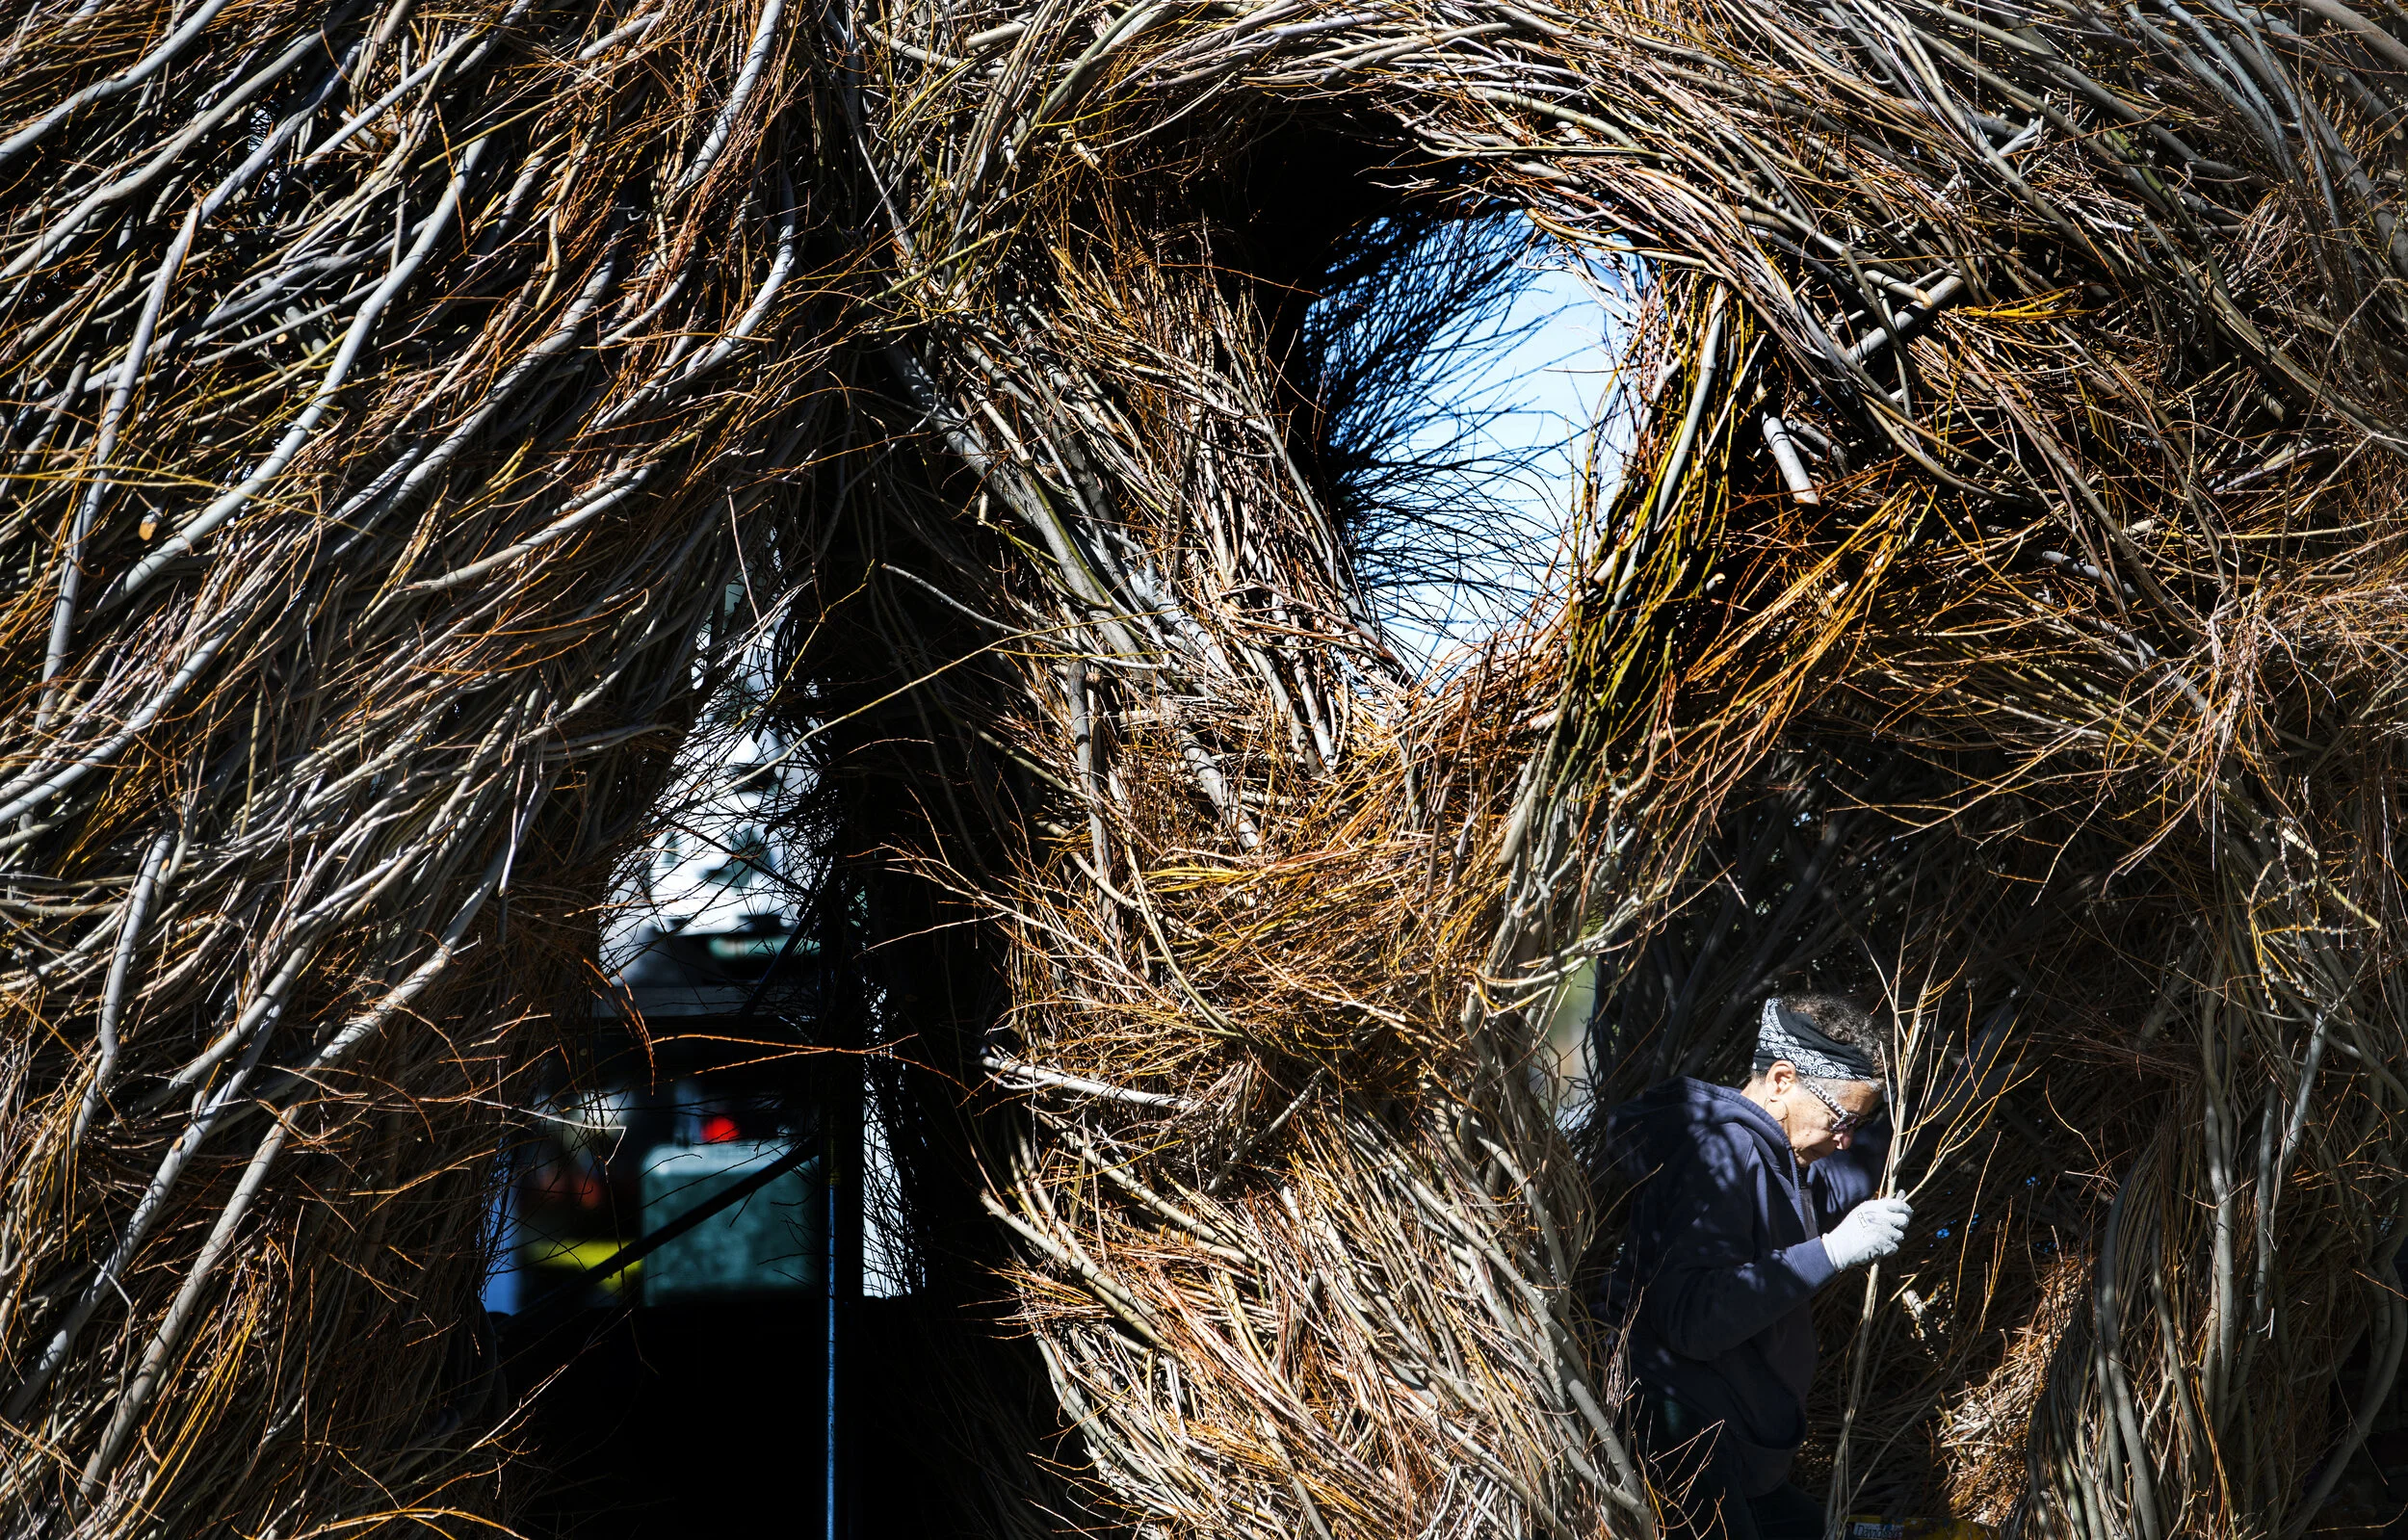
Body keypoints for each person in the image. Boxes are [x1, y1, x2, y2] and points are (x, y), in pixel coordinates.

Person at [1600, 994, 1914, 1540]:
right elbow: (1693, 1318)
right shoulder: (1721, 1152)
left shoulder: (1780, 1156)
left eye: (1857, 1124)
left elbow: (1843, 1177)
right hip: (1683, 1433)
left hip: (1734, 1442)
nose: (1845, 1140)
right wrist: (1831, 1253)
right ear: (1781, 1080)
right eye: (1841, 1119)